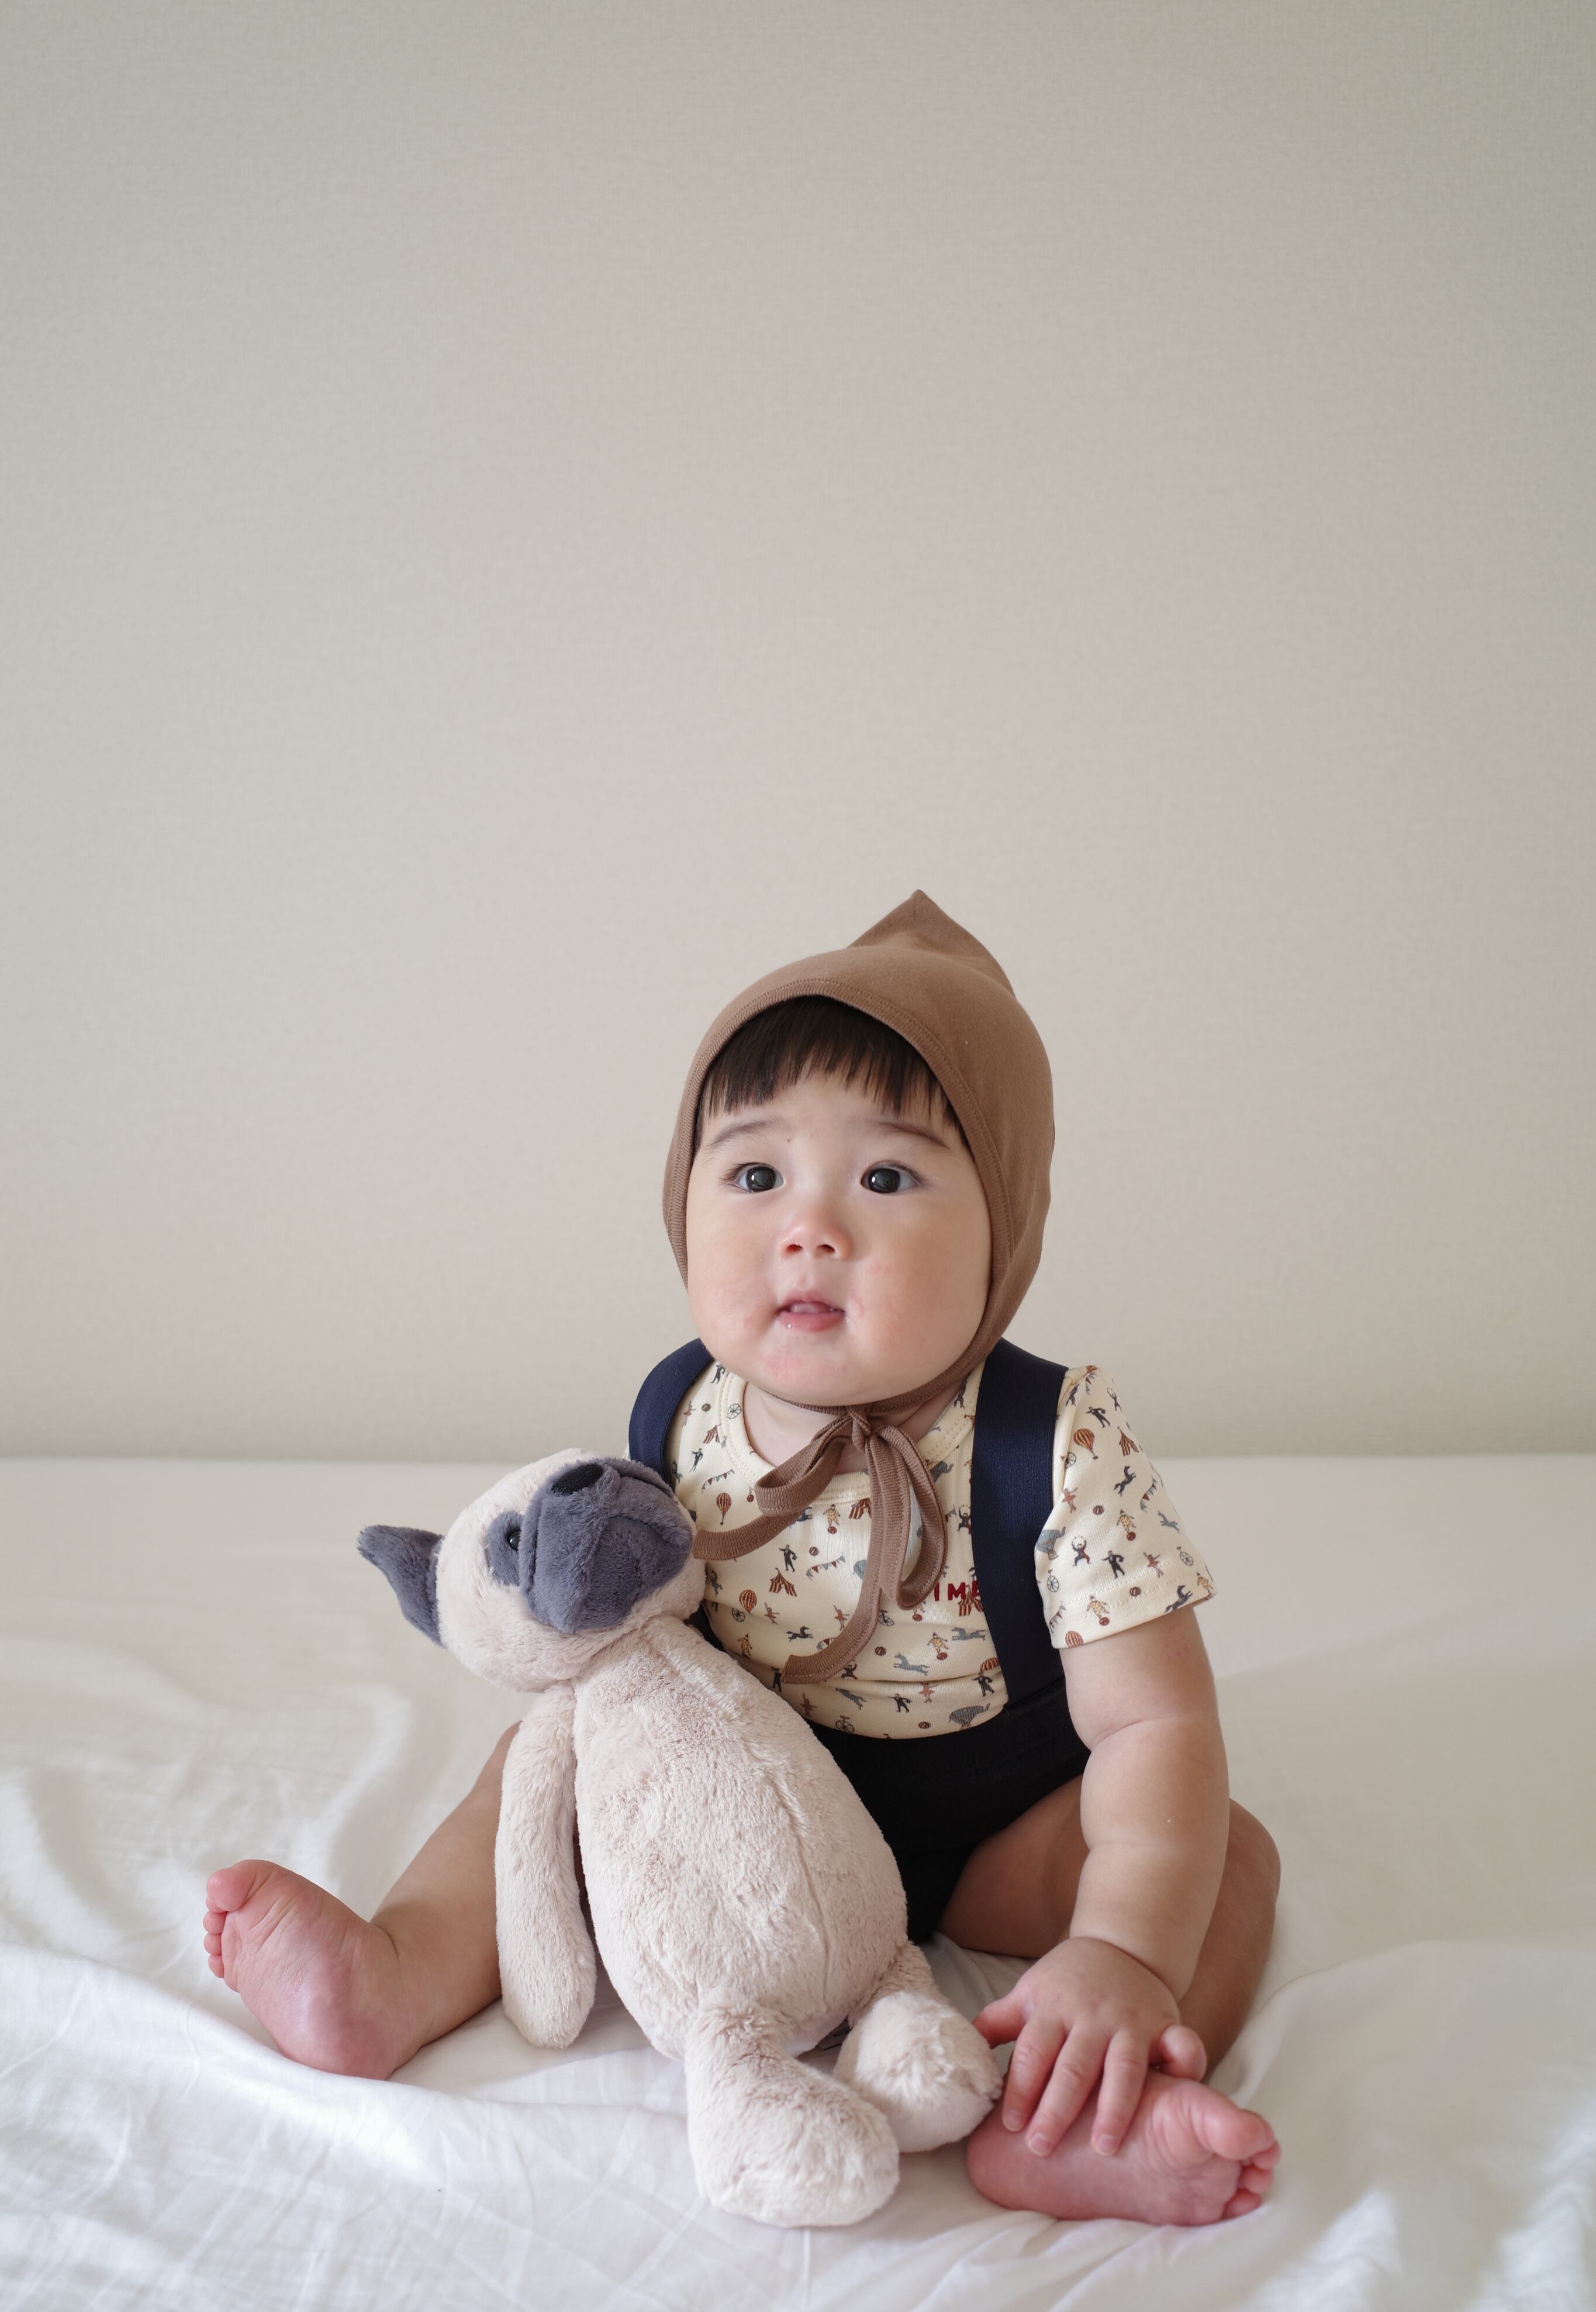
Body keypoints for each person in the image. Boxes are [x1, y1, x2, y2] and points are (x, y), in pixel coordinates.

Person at [203, 891, 1281, 2226]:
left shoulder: (1052, 1443)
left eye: (885, 1178)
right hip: (739, 1813)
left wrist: (1120, 1946)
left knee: (1219, 1858)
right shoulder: (681, 1408)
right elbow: (632, 1621)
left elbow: (1154, 1724)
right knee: (546, 1752)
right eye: (757, 1175)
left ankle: (1089, 2109)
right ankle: (398, 1968)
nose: (808, 1227)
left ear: (1005, 1227)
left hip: (996, 1835)